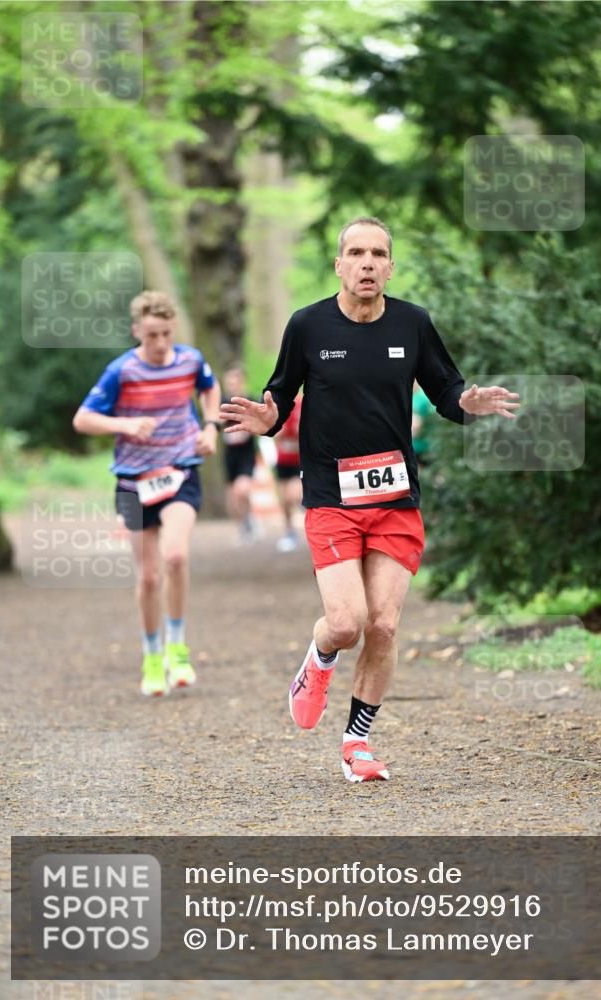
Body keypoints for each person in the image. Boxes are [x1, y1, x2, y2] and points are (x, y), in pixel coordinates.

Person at [221, 216, 520, 783]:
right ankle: (319, 657)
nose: (366, 263)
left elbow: (447, 391)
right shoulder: (307, 326)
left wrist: (470, 403)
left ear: (389, 266)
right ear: (339, 264)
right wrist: (265, 418)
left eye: (377, 254)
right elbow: (279, 397)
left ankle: (356, 744)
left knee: (383, 625)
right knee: (347, 622)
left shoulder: (413, 323)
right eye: (355, 253)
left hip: (395, 499)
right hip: (331, 496)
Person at [73, 291, 220, 697]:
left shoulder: (190, 359)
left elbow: (209, 387)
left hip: (180, 472)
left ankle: (178, 647)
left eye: (166, 334)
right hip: (133, 483)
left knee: (176, 555)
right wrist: (124, 426)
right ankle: (152, 656)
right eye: (151, 335)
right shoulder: (122, 371)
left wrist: (209, 427)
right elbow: (82, 419)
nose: (159, 344)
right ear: (137, 330)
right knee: (150, 576)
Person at [220, 366, 259, 543]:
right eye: (228, 383)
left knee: (241, 490)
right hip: (230, 456)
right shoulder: (222, 404)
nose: (231, 386)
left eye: (234, 383)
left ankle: (250, 519)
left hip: (247, 454)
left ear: (242, 382)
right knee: (233, 499)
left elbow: (263, 427)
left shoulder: (251, 402)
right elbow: (214, 424)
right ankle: (243, 526)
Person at [274, 394, 303, 552]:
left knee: (294, 495)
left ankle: (304, 507)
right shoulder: (278, 404)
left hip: (298, 460)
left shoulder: (302, 404)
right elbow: (274, 433)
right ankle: (289, 531)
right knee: (284, 500)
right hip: (282, 460)